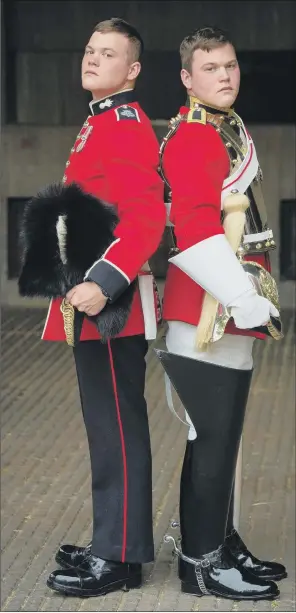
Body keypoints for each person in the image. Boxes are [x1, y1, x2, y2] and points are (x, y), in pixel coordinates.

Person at [24, 18, 166, 597]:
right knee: (104, 425)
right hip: (91, 298)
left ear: (131, 70)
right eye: (89, 50)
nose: (92, 59)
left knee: (117, 427)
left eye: (107, 54)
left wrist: (105, 283)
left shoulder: (126, 125)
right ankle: (112, 541)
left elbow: (146, 217)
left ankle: (122, 559)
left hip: (112, 302)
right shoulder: (100, 120)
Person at [156, 26, 287, 600]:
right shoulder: (191, 137)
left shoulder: (226, 129)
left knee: (224, 437)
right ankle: (201, 564)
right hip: (207, 304)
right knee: (210, 438)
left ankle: (221, 543)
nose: (225, 76)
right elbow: (193, 231)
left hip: (229, 301)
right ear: (188, 78)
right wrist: (240, 297)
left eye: (230, 65)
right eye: (211, 69)